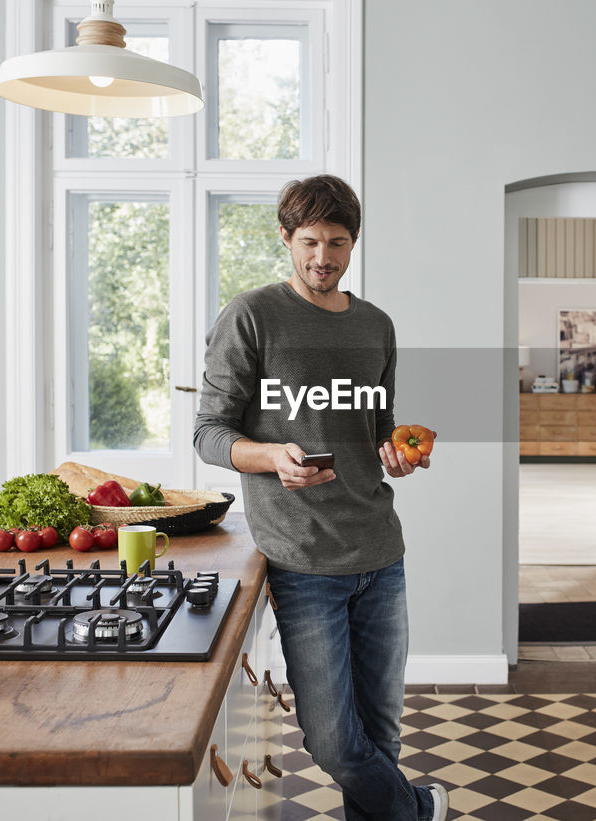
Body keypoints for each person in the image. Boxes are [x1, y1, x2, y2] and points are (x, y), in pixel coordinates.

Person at [194, 174, 447, 821]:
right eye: (309, 241)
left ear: (354, 243)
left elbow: (377, 426)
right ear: (285, 237)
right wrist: (272, 456)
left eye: (337, 242)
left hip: (380, 553)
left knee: (381, 735)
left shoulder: (375, 325)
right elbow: (210, 432)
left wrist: (397, 450)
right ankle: (422, 809)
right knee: (336, 740)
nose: (323, 257)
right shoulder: (251, 316)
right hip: (304, 564)